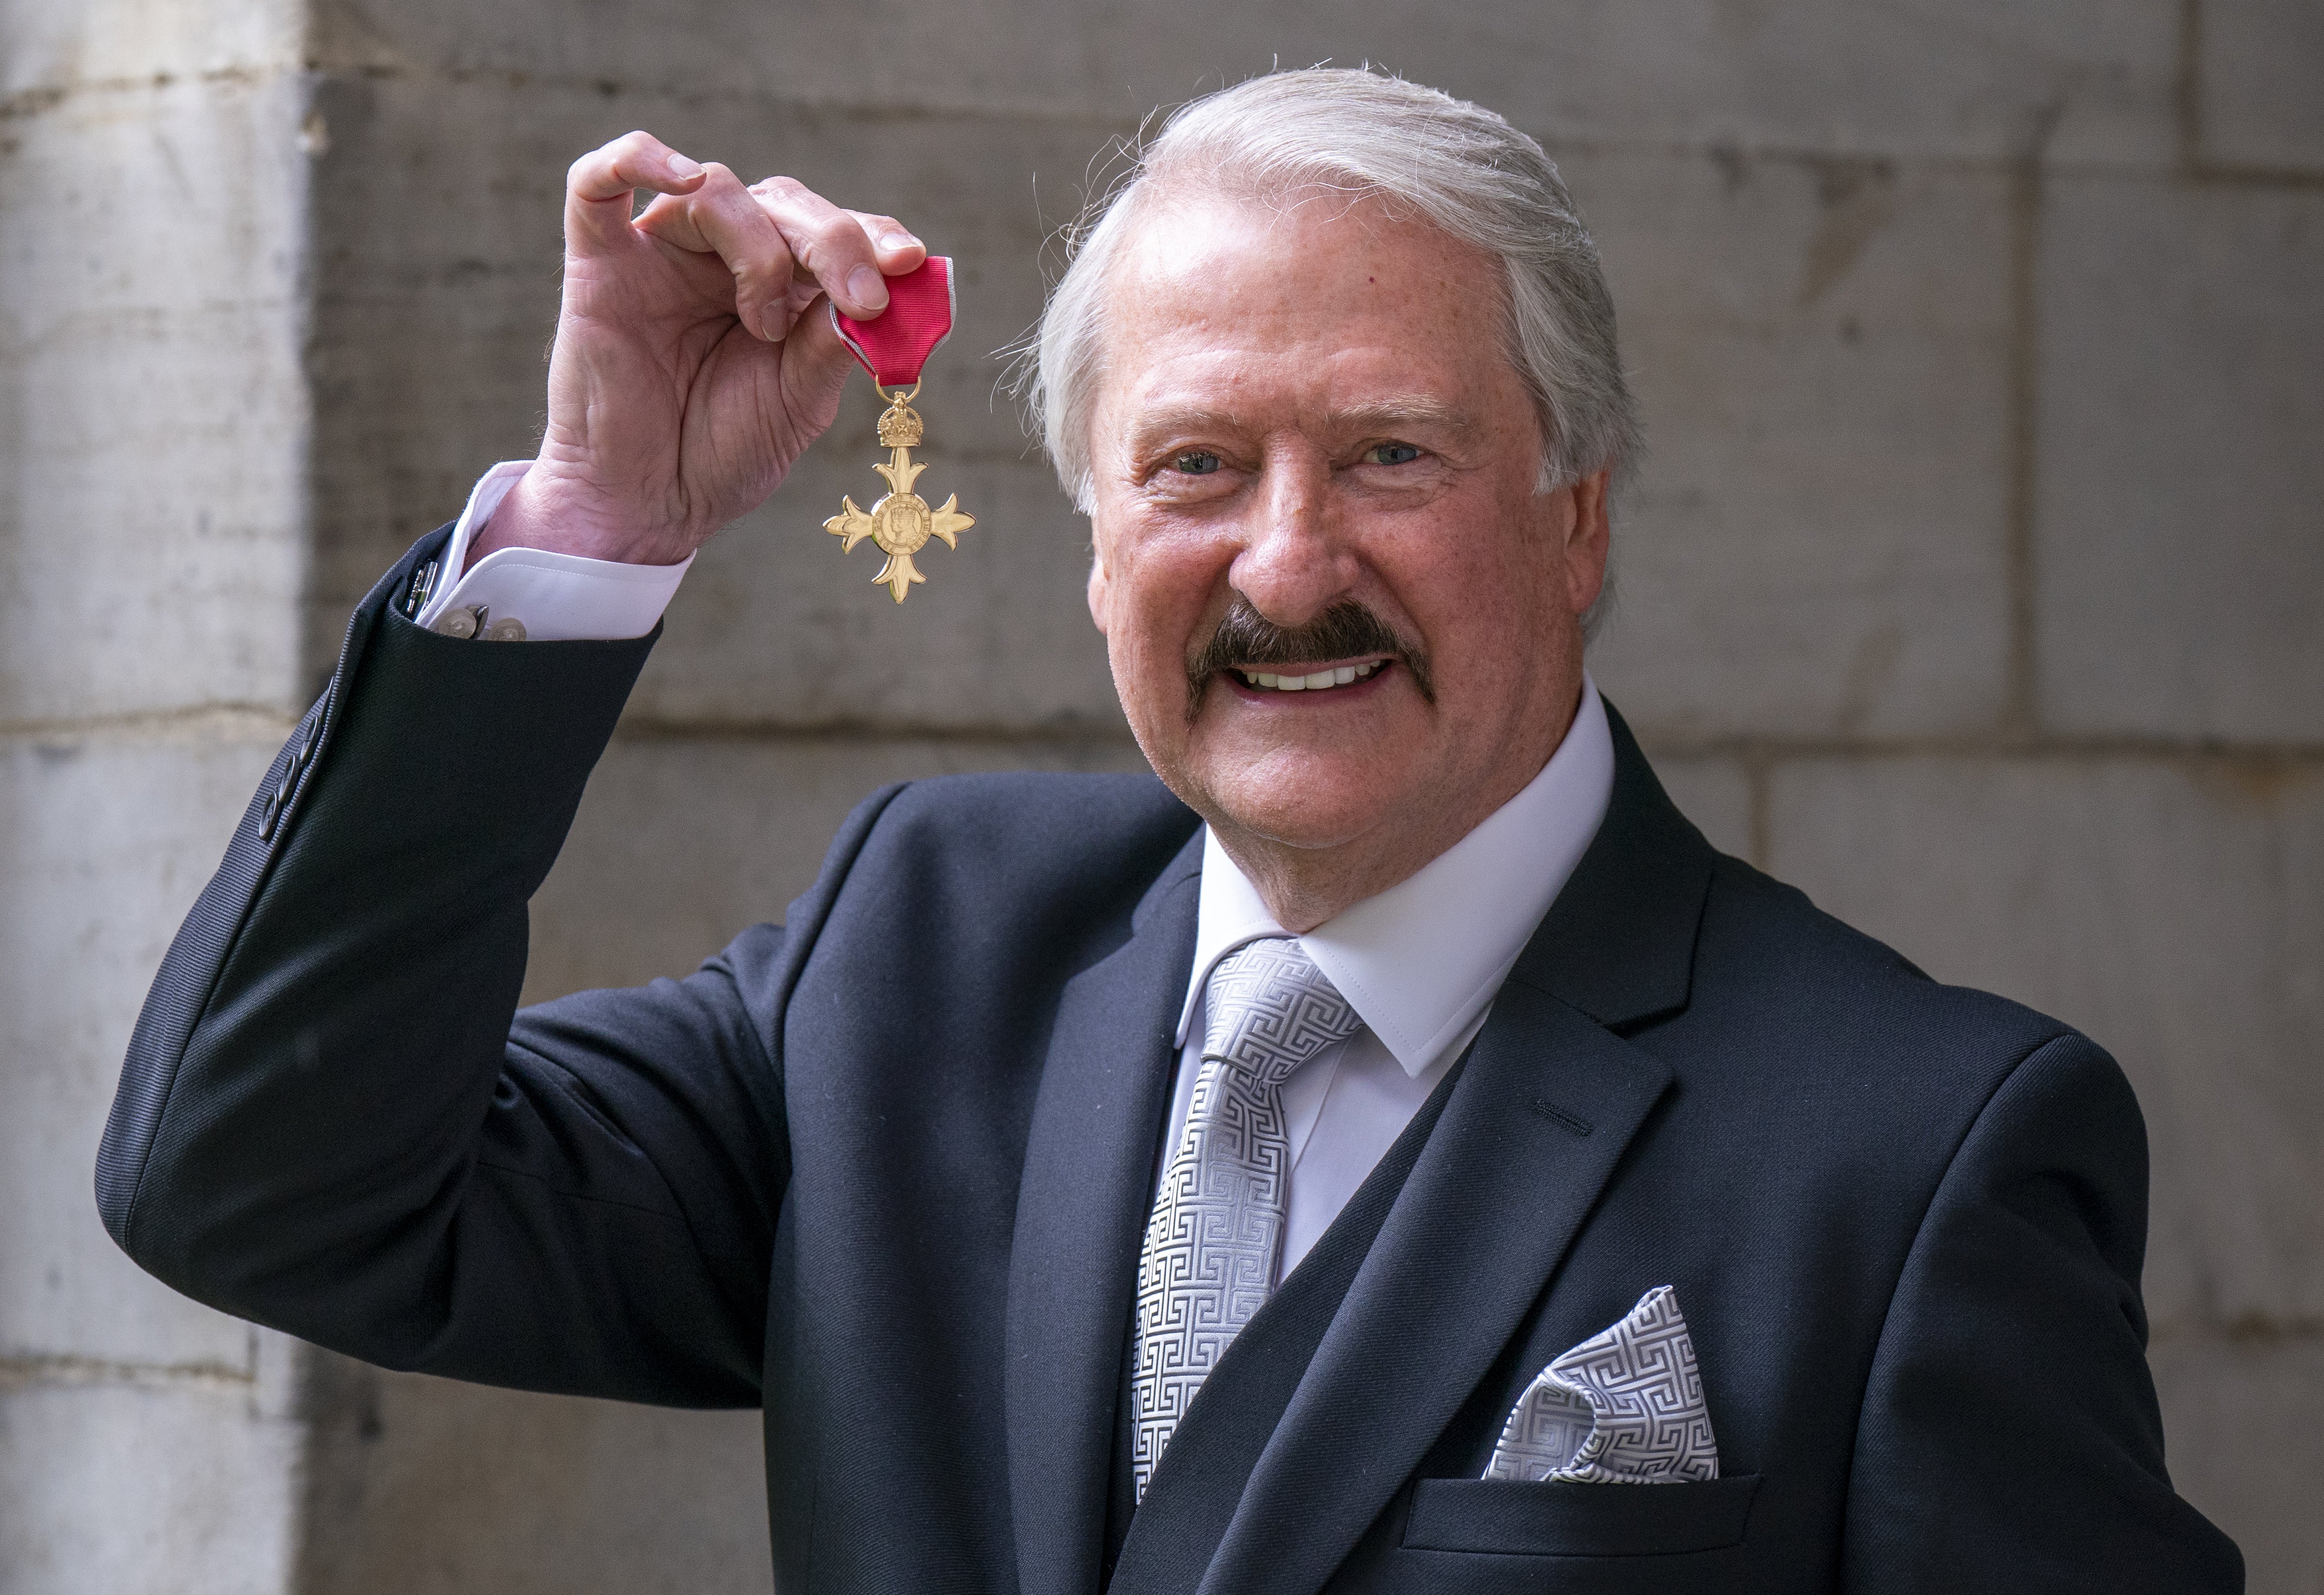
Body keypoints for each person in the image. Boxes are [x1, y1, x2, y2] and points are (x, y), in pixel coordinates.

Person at [98, 69, 2239, 1592]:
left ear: (1571, 518)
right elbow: (258, 1177)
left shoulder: (1920, 1144)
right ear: (1094, 538)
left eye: (1389, 454)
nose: (1286, 565)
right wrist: (589, 527)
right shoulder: (915, 955)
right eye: (1197, 464)